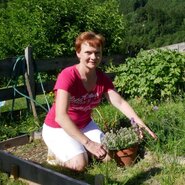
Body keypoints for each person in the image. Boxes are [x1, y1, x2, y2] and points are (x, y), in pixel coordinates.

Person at [42, 31, 157, 172]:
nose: (93, 57)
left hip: (84, 125)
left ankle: (79, 149)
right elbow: (61, 116)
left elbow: (119, 102)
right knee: (79, 165)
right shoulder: (68, 76)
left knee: (108, 157)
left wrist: (139, 122)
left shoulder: (101, 77)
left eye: (97, 53)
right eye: (88, 52)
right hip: (58, 128)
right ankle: (57, 154)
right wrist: (89, 143)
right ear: (78, 53)